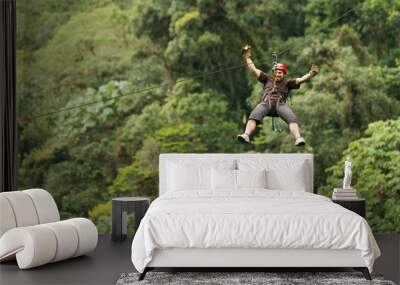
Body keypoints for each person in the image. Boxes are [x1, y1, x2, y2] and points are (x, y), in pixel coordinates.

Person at [237, 45, 318, 146]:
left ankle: (298, 138)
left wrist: (310, 74)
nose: (278, 74)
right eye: (277, 72)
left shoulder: (288, 83)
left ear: (284, 73)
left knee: (292, 118)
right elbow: (253, 69)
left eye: (280, 73)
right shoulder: (267, 79)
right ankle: (246, 135)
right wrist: (247, 57)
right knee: (254, 115)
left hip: (280, 105)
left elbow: (301, 79)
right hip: (266, 103)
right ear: (274, 73)